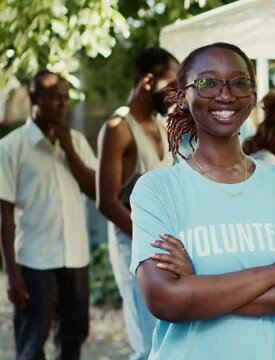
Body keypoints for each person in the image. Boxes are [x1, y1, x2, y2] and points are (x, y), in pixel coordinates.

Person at [127, 42, 275, 360]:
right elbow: (166, 300)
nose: (225, 95)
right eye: (208, 83)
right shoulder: (157, 190)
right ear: (183, 95)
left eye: (239, 82)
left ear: (252, 95)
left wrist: (196, 288)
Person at [0, 71, 96, 359]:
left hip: (76, 260)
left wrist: (68, 148)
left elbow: (94, 190)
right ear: (34, 98)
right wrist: (12, 274)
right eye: (54, 97)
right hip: (35, 262)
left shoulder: (76, 141)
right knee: (31, 346)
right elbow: (4, 216)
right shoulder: (10, 147)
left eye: (66, 99)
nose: (62, 105)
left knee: (72, 341)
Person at [95, 47, 178, 360]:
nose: (177, 93)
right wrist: (149, 238)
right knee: (147, 344)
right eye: (172, 84)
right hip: (134, 248)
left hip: (165, 247)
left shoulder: (161, 127)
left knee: (168, 338)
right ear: (148, 81)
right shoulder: (117, 129)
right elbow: (106, 201)